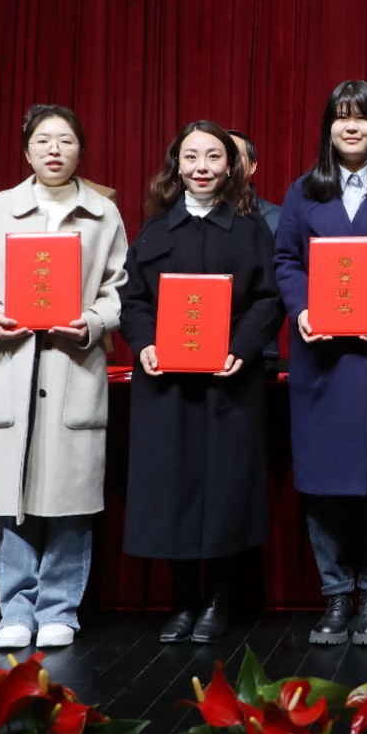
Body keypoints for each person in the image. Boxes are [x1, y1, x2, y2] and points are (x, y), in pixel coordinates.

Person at [0, 104, 128, 650]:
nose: (55, 150)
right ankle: (15, 609)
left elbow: (119, 288)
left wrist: (92, 322)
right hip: (11, 367)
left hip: (72, 368)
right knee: (14, 499)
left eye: (66, 141)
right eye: (44, 140)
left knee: (70, 502)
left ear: (81, 151)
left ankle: (59, 608)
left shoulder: (103, 214)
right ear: (26, 150)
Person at [120, 121, 284, 644]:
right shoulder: (154, 230)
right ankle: (183, 601)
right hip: (166, 386)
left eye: (214, 156)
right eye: (191, 157)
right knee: (172, 489)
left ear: (230, 166)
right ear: (177, 165)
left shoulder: (250, 229)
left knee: (226, 490)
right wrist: (144, 343)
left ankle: (217, 602)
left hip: (228, 383)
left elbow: (269, 300)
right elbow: (132, 301)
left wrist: (241, 348)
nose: (202, 167)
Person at [275, 81, 367, 647]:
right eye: (341, 117)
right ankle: (337, 595)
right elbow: (286, 260)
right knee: (325, 482)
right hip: (323, 358)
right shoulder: (302, 191)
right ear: (328, 128)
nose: (351, 127)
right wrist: (303, 308)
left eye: (362, 117)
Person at [228, 130, 284, 374]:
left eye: (236, 156)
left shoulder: (277, 220)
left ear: (253, 166)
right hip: (200, 344)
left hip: (258, 351)